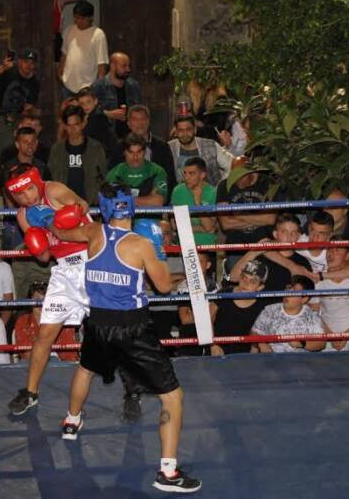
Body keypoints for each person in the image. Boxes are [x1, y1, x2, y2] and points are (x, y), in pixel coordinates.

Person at [51, 183, 202, 493]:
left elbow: (61, 233)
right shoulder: (141, 244)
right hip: (132, 327)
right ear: (131, 207)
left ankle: (71, 421)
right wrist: (161, 257)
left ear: (104, 208)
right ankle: (168, 473)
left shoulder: (93, 232)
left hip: (98, 322)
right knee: (172, 396)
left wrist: (53, 220)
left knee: (85, 368)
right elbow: (162, 288)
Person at [3, 163, 93, 415]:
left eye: (29, 190)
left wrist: (52, 219)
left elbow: (82, 207)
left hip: (92, 262)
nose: (27, 197)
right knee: (44, 334)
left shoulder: (53, 190)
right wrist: (36, 240)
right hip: (64, 272)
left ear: (37, 183)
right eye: (19, 195)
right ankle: (30, 393)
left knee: (112, 329)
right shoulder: (22, 215)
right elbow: (43, 257)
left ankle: (133, 388)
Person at [228, 212, 312, 296]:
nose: (289, 236)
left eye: (293, 232)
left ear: (298, 236)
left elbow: (307, 294)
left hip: (285, 306)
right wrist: (253, 251)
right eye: (284, 232)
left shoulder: (302, 262)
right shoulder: (260, 256)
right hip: (260, 305)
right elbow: (234, 278)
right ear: (275, 234)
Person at [47, 104, 108, 205]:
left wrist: (96, 199)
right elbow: (51, 177)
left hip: (91, 205)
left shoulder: (96, 148)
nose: (72, 129)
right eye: (69, 125)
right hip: (63, 205)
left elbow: (103, 176)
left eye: (76, 124)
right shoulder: (56, 150)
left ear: (83, 123)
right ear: (64, 126)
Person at [109, 104, 177, 192]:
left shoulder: (162, 146)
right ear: (128, 123)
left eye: (143, 119)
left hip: (158, 198)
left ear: (149, 121)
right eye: (135, 119)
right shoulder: (119, 147)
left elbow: (170, 178)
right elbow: (113, 176)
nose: (140, 123)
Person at [252, 275, 327, 353]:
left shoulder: (312, 316)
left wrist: (302, 343)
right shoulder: (269, 310)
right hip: (273, 360)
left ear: (304, 299)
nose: (287, 293)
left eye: (294, 291)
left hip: (301, 362)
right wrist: (261, 343)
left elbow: (321, 343)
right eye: (287, 288)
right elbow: (254, 332)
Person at [213, 259, 270, 355]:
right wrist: (212, 344)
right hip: (217, 351)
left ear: (260, 287)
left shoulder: (263, 305)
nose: (246, 283)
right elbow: (207, 318)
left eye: (253, 281)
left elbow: (260, 332)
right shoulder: (224, 293)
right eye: (244, 277)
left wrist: (255, 349)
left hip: (245, 356)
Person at [13, 281, 79, 362]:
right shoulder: (23, 321)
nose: (41, 303)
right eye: (37, 299)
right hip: (31, 367)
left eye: (46, 299)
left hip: (60, 368)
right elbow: (26, 354)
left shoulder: (65, 321)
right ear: (29, 301)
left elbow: (70, 357)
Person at [58, 0, 109, 97]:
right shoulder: (69, 30)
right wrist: (60, 72)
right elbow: (64, 54)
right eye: (76, 18)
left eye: (81, 18)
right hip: (67, 84)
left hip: (87, 86)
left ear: (91, 18)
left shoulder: (98, 34)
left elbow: (102, 64)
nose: (78, 21)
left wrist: (99, 87)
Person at [168, 114, 235, 187]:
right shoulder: (169, 148)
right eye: (181, 130)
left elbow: (233, 165)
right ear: (176, 131)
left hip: (209, 196)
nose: (185, 134)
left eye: (188, 129)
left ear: (195, 129)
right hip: (180, 197)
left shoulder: (210, 146)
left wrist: (219, 188)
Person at [106, 133, 168, 206]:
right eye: (131, 152)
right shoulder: (114, 174)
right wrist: (148, 198)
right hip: (122, 217)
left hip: (150, 217)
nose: (135, 157)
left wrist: (124, 200)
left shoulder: (157, 171)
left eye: (139, 152)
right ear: (124, 152)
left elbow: (158, 201)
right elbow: (110, 203)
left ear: (145, 152)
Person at [92, 52, 142, 137]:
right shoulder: (98, 87)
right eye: (124, 66)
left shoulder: (134, 86)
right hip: (107, 138)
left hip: (130, 139)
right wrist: (107, 113)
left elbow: (141, 110)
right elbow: (89, 113)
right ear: (112, 66)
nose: (128, 69)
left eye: (128, 66)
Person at [170, 156, 218, 246]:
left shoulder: (213, 192)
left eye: (191, 173)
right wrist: (201, 228)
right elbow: (175, 225)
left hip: (207, 245)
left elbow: (208, 226)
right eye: (185, 173)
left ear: (202, 175)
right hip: (185, 246)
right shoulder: (178, 191)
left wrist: (198, 203)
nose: (186, 177)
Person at [0, 48, 41, 117]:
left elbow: (29, 105)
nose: (28, 65)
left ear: (35, 65)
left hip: (14, 117)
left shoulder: (35, 83)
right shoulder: (9, 70)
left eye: (32, 63)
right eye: (26, 61)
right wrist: (2, 67)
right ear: (20, 62)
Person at [76, 86, 118, 152]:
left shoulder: (98, 117)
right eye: (82, 103)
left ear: (95, 101)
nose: (85, 106)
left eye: (88, 102)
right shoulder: (88, 115)